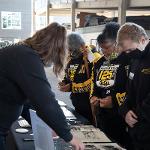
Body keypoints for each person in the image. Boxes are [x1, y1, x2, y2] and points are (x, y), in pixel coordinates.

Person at [0, 22, 84, 150]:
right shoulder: (26, 56)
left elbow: (29, 100)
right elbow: (45, 100)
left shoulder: (21, 52)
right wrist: (68, 136)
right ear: (54, 50)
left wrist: (50, 125)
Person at [90, 22, 134, 149]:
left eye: (107, 47)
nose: (104, 51)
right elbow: (94, 85)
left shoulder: (129, 60)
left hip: (124, 117)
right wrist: (94, 97)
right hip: (103, 117)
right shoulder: (99, 62)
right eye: (101, 48)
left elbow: (136, 90)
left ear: (117, 43)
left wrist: (115, 100)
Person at [117, 22, 150, 150]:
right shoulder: (134, 59)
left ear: (142, 40)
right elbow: (129, 91)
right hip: (136, 129)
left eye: (130, 50)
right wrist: (125, 111)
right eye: (126, 51)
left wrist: (136, 114)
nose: (128, 54)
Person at [59, 33, 101, 124]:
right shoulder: (71, 59)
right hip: (77, 103)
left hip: (90, 105)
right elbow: (69, 77)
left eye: (70, 49)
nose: (69, 52)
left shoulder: (92, 56)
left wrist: (71, 87)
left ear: (78, 46)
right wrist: (64, 82)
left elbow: (94, 81)